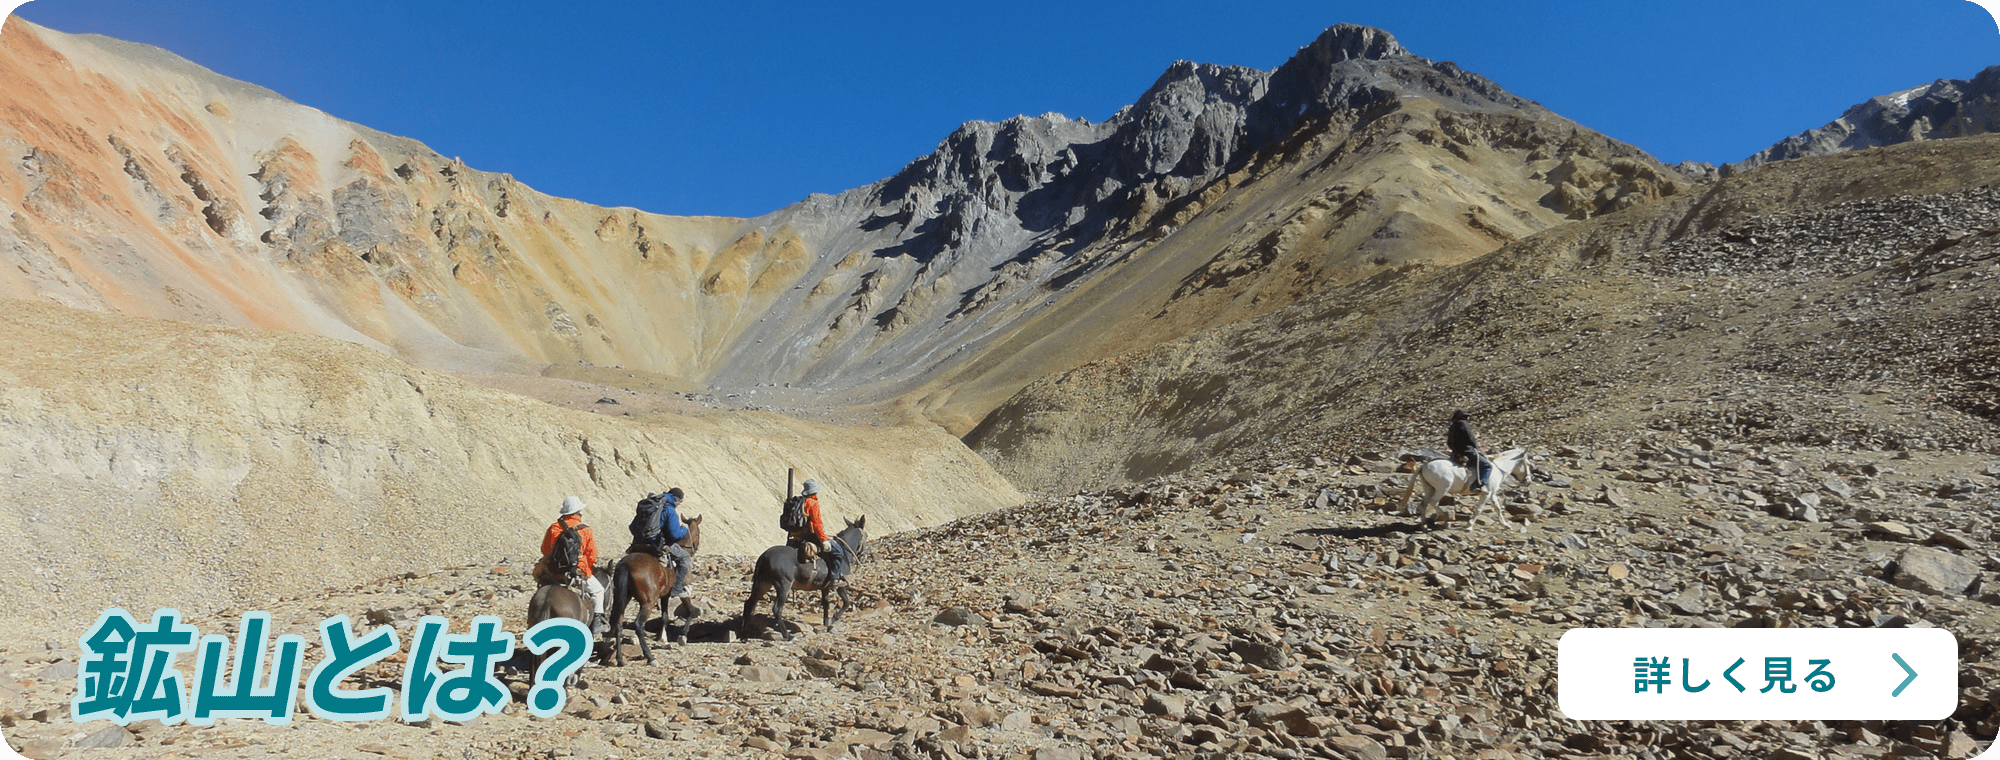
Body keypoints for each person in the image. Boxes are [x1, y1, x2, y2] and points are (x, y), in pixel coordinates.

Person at [542, 495, 607, 634]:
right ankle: (597, 621)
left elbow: (545, 550)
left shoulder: (554, 527)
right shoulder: (586, 529)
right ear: (579, 513)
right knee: (598, 591)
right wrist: (585, 567)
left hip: (555, 571)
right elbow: (592, 554)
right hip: (577, 570)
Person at [654, 488, 693, 598]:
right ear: (676, 499)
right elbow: (674, 534)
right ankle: (677, 589)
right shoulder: (670, 510)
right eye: (680, 501)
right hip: (658, 542)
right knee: (685, 556)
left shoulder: (654, 504)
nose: (679, 504)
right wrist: (684, 530)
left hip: (641, 541)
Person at [1447, 410, 1492, 491]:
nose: (1468, 419)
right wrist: (1476, 446)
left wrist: (1455, 449)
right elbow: (1470, 437)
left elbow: (1448, 442)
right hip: (1467, 451)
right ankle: (1479, 486)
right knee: (1487, 466)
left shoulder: (1452, 426)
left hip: (1456, 452)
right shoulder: (1463, 424)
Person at [786, 479, 827, 563]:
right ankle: (834, 575)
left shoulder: (799, 502)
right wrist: (824, 540)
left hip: (794, 535)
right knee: (837, 552)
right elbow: (817, 524)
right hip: (809, 535)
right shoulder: (813, 503)